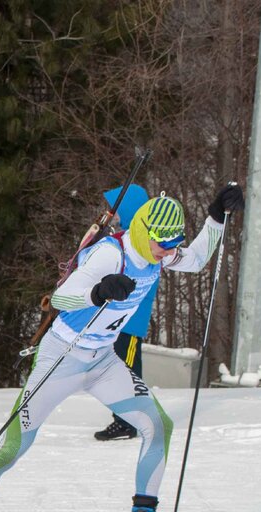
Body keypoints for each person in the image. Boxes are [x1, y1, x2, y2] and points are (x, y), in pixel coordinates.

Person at [0, 183, 245, 512]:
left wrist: (215, 216)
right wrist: (97, 292)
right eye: (163, 245)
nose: (169, 253)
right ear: (143, 233)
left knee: (158, 427)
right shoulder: (111, 255)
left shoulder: (158, 254)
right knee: (13, 447)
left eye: (173, 245)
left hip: (102, 361)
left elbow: (195, 259)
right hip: (62, 358)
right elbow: (60, 298)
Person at [94, 184, 154, 441]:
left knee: (127, 369)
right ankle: (124, 418)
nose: (112, 214)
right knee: (117, 368)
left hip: (130, 321)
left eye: (116, 209)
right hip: (119, 319)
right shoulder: (125, 238)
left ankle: (127, 422)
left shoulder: (140, 243)